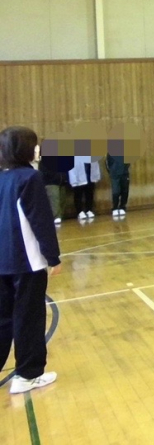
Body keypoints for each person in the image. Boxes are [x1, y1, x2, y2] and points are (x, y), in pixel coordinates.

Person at [0, 126, 61, 394]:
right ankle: (28, 374)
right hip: (26, 263)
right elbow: (41, 221)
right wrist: (53, 257)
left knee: (3, 319)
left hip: (2, 262)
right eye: (34, 144)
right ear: (23, 148)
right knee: (29, 318)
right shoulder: (30, 178)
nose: (38, 149)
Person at [69, 154, 101, 220]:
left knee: (89, 193)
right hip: (78, 176)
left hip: (89, 174)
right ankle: (79, 211)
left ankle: (89, 209)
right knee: (78, 194)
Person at [105, 141, 131, 220]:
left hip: (124, 173)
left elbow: (128, 162)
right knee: (116, 191)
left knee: (125, 191)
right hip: (115, 175)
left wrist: (125, 170)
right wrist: (112, 172)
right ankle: (115, 208)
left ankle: (122, 206)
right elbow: (107, 163)